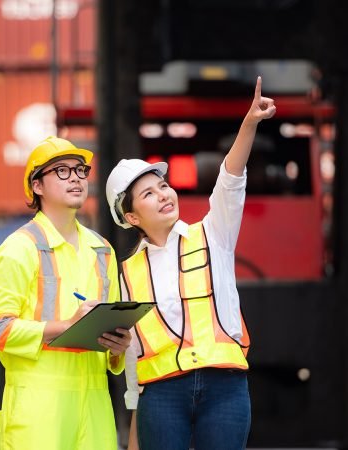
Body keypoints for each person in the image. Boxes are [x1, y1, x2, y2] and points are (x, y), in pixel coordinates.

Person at [105, 77, 276, 450]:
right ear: (132, 217)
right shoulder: (126, 274)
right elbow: (134, 356)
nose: (164, 195)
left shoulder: (214, 234)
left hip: (225, 389)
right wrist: (134, 433)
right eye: (148, 194)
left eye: (163, 186)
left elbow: (231, 180)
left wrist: (249, 123)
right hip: (161, 395)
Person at [0, 136, 132, 450]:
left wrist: (118, 347)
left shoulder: (102, 250)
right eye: (62, 171)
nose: (76, 177)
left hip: (94, 405)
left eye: (80, 170)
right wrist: (66, 327)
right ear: (37, 186)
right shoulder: (18, 248)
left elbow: (111, 345)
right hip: (40, 408)